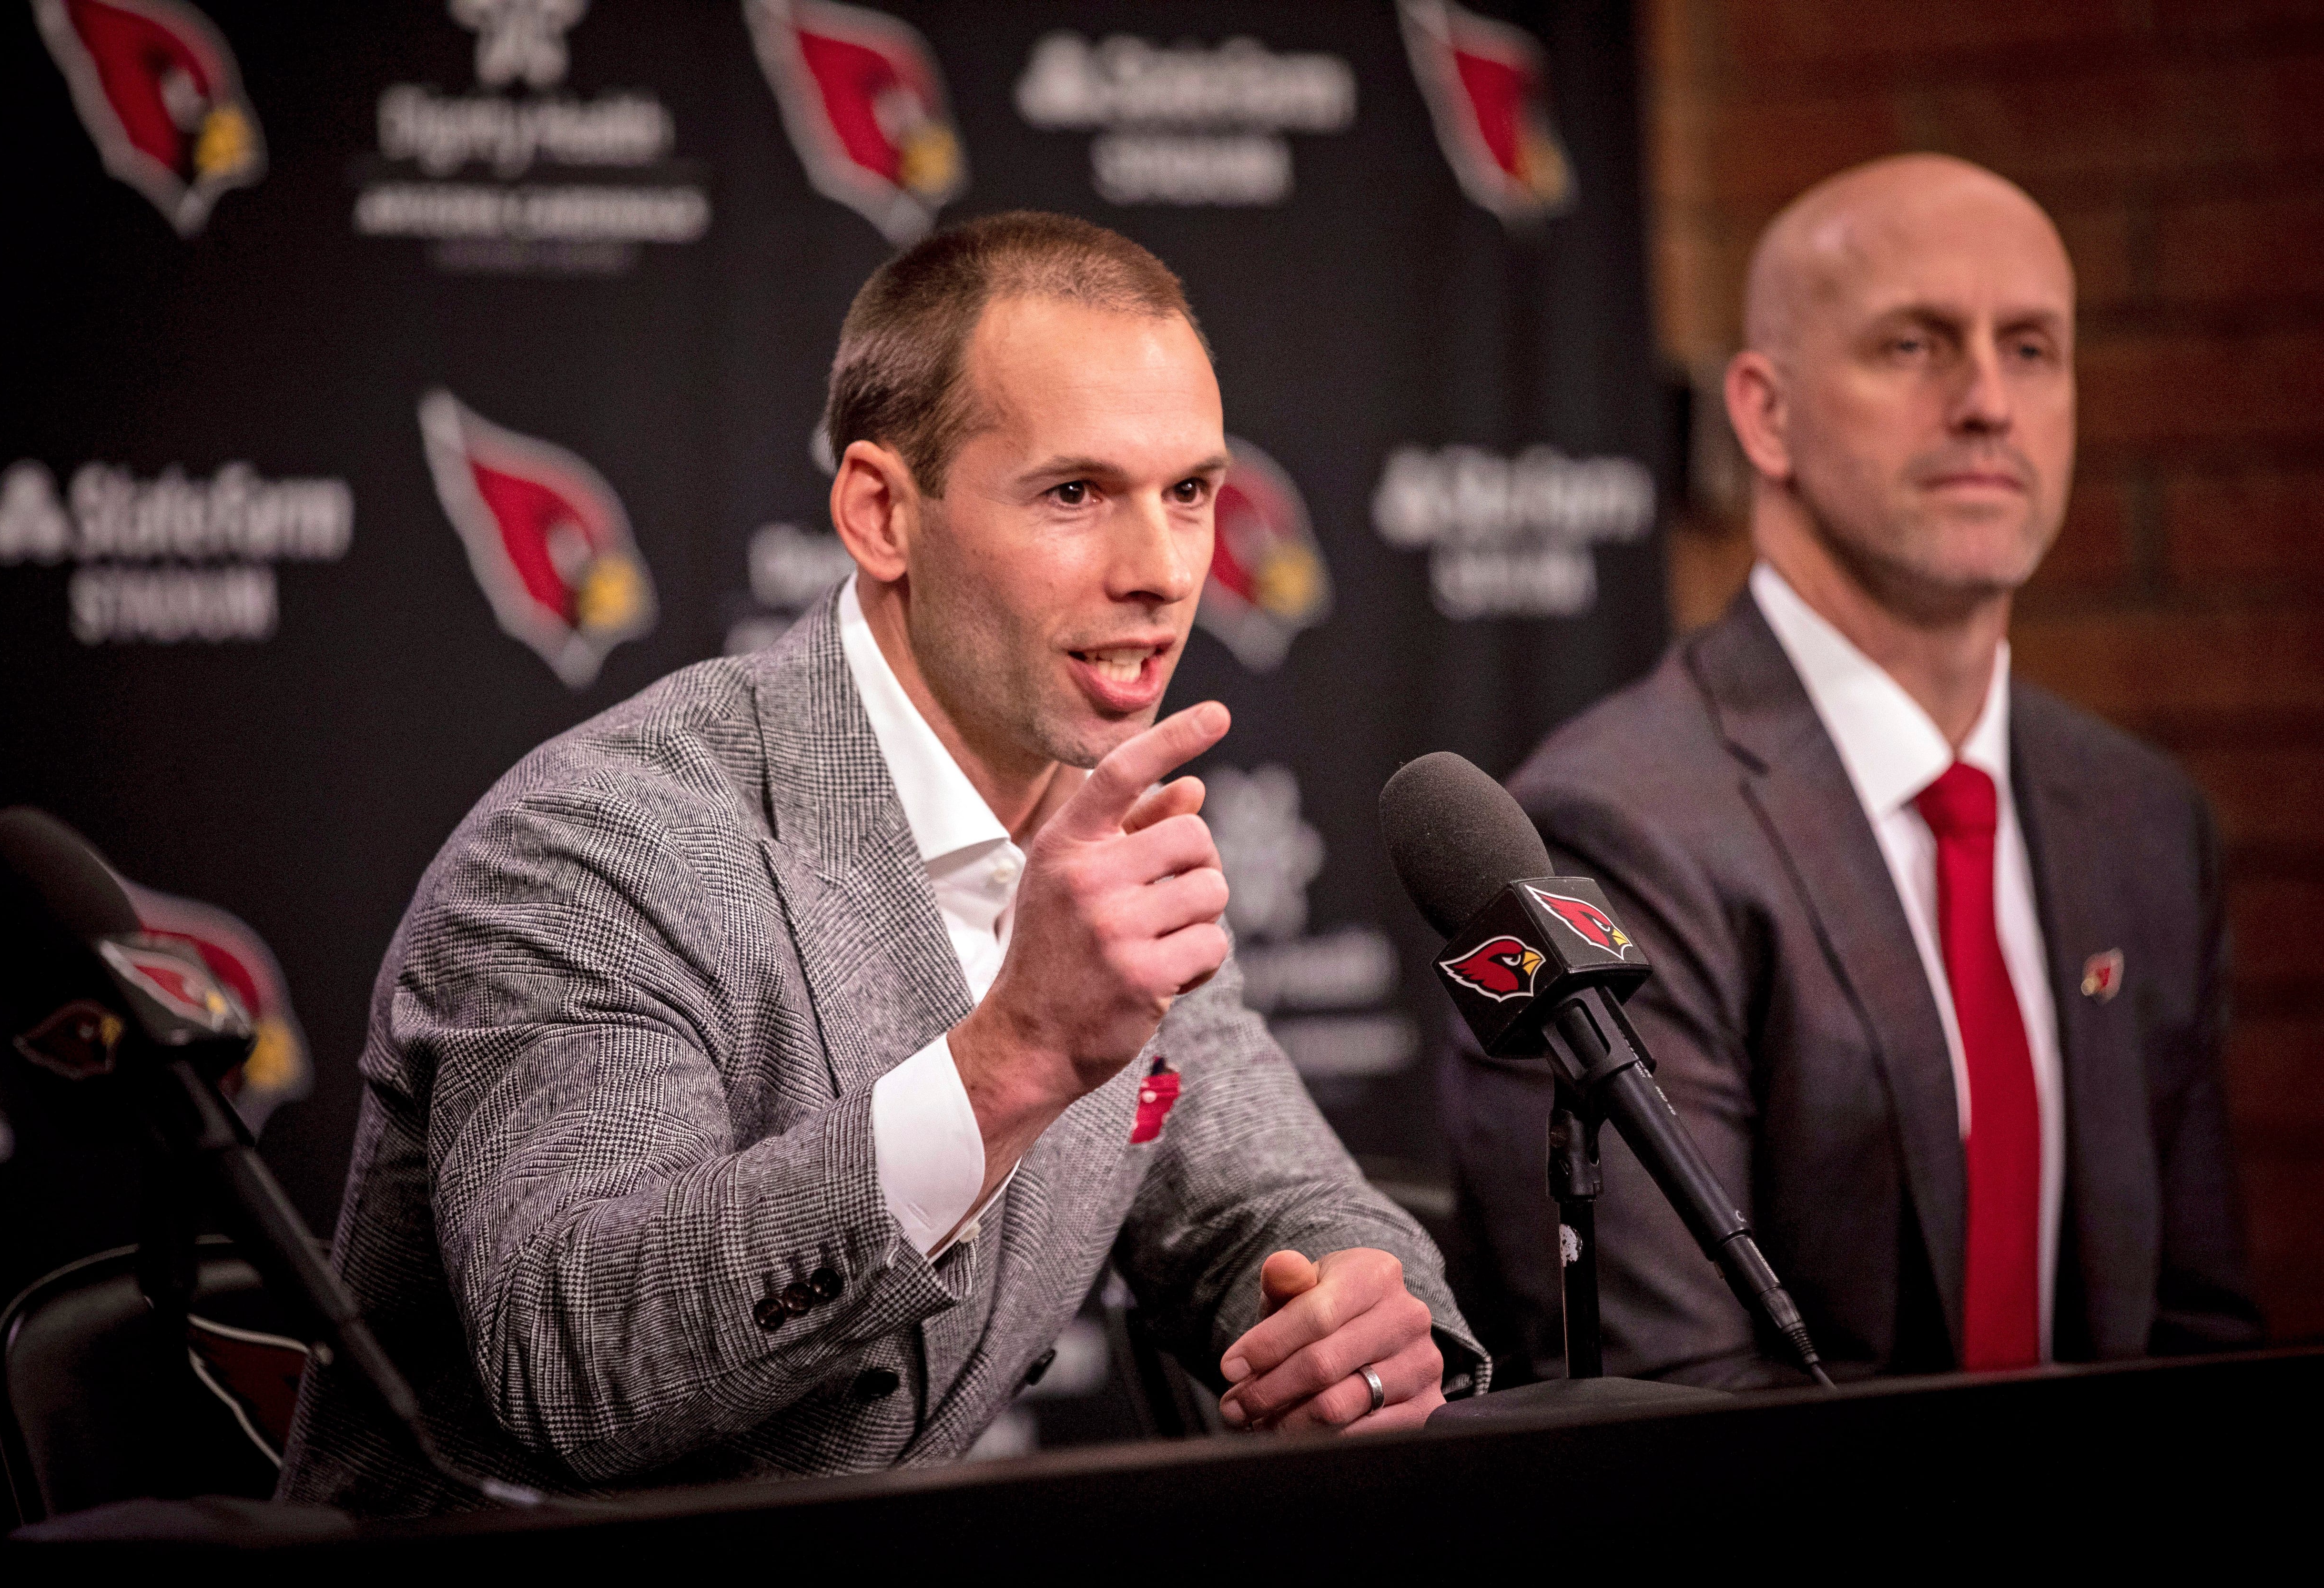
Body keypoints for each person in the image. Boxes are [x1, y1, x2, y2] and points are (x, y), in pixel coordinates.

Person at [281, 212, 1485, 1514]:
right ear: (881, 514)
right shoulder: (601, 841)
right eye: (1075, 494)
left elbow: (1269, 1202)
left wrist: (1361, 1315)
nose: (1161, 573)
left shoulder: (1107, 831)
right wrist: (1012, 1062)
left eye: (1189, 492)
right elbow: (581, 1360)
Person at [1442, 155, 2263, 1388]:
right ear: (1765, 414)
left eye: (2032, 348)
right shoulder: (1618, 825)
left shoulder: (2145, 820)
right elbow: (1683, 1405)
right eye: (1915, 348)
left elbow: (2202, 1331)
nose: (1989, 401)